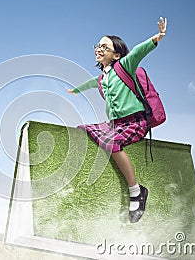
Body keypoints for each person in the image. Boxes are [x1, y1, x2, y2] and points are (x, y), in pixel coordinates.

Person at [67, 17, 167, 223]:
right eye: (98, 45)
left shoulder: (125, 66)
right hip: (116, 124)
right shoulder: (102, 78)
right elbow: (91, 83)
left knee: (110, 142)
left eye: (105, 46)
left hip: (135, 122)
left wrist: (155, 39)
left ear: (117, 55)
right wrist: (76, 90)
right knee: (83, 128)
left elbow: (139, 51)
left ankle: (136, 191)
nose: (100, 49)